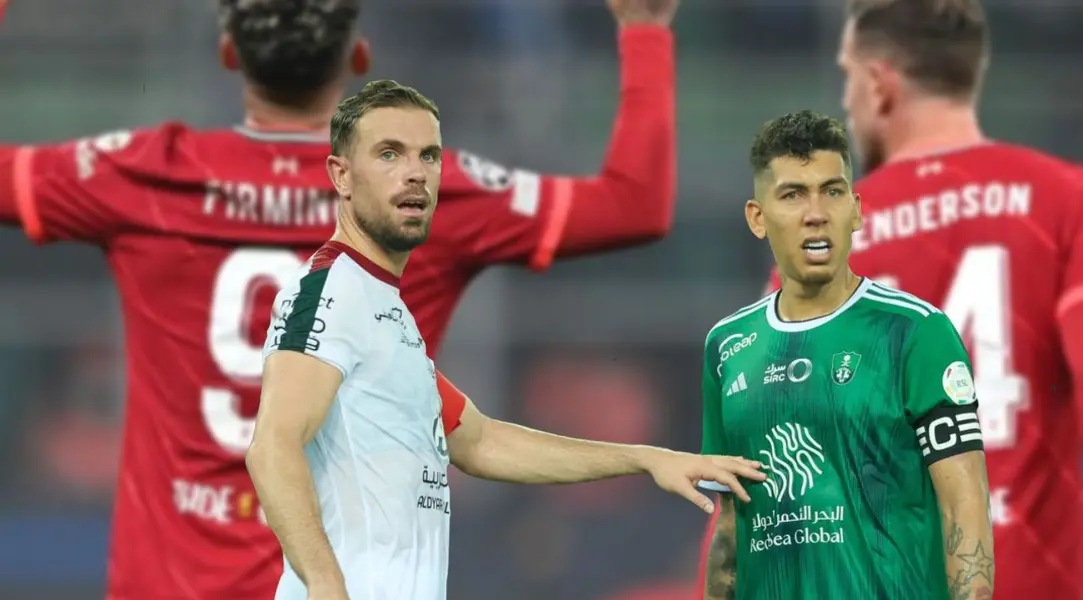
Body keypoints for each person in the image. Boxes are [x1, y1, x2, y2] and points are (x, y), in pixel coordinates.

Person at [0, 0, 682, 597]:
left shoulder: (144, 173)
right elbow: (634, 205)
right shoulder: (423, 190)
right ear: (359, 54)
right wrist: (645, 29)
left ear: (229, 52)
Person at [701, 1, 1083, 598]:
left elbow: (759, 465)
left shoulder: (821, 241)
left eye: (848, 76)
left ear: (879, 84)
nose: (847, 102)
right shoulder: (1067, 199)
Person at [248, 79, 764, 600]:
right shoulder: (331, 290)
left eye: (428, 156)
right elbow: (272, 446)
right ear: (341, 175)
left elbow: (480, 441)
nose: (414, 173)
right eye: (389, 154)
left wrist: (648, 458)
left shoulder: (388, 314)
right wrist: (325, 584)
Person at [699, 111, 993, 600]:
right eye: (793, 194)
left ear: (856, 210)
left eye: (832, 191)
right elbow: (730, 530)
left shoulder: (915, 333)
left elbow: (965, 506)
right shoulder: (726, 348)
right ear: (757, 217)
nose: (817, 212)